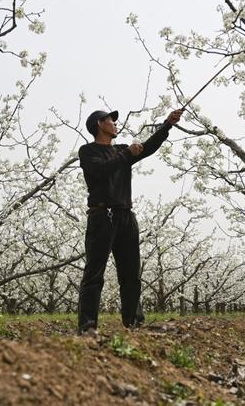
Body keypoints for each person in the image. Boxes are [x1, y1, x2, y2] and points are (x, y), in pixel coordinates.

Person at [77, 108, 183, 334]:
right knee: (94, 273)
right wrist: (127, 155)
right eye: (110, 120)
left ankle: (134, 322)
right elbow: (101, 171)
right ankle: (87, 326)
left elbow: (149, 147)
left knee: (131, 274)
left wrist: (167, 124)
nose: (115, 124)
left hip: (126, 215)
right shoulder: (88, 151)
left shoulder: (121, 149)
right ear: (99, 124)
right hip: (101, 216)